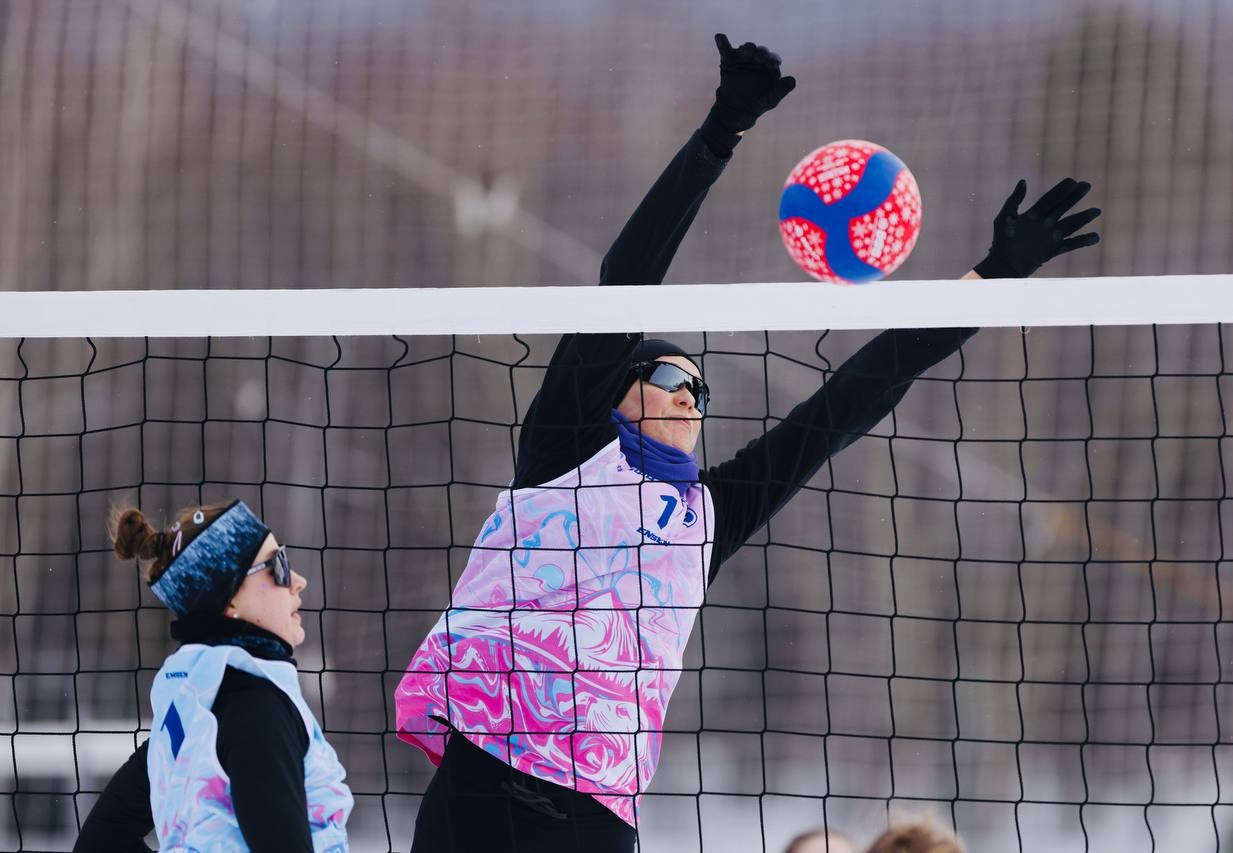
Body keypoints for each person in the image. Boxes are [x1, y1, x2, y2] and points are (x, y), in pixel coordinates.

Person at [394, 34, 1101, 853]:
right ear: (618, 387)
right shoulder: (565, 448)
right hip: (486, 777)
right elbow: (628, 275)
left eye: (701, 389)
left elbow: (855, 397)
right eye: (671, 376)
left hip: (594, 812)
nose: (689, 396)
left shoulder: (707, 514)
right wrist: (718, 134)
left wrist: (993, 280)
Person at [73, 500, 352, 852]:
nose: (297, 581)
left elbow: (101, 841)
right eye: (278, 565)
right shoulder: (258, 711)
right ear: (229, 598)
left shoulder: (188, 713)